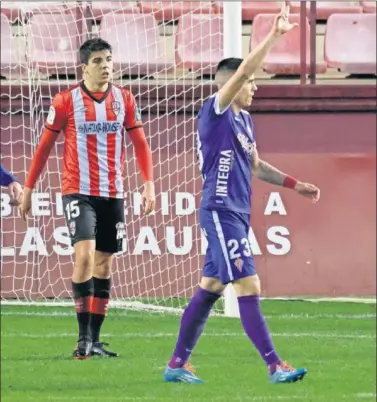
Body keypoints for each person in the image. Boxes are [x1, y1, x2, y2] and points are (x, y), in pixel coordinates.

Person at [163, 3, 320, 384]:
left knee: (211, 288)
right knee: (248, 283)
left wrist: (293, 184)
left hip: (235, 211)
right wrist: (274, 35)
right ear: (232, 82)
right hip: (218, 210)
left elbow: (255, 165)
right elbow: (247, 68)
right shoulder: (215, 111)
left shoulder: (246, 121)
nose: (255, 86)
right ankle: (274, 365)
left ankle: (176, 366)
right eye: (250, 82)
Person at [19, 38, 156, 360]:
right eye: (97, 61)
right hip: (77, 190)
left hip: (113, 191)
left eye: (108, 59)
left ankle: (95, 340)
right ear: (84, 67)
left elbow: (140, 143)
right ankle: (81, 341)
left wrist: (148, 184)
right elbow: (43, 148)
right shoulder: (66, 101)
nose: (106, 65)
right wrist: (28, 188)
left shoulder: (124, 99)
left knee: (105, 262)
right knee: (84, 256)